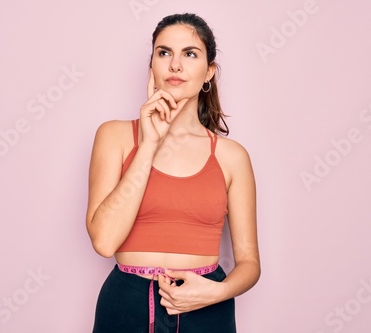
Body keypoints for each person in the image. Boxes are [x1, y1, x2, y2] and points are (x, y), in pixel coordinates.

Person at [86, 13, 260, 333]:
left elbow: (249, 263)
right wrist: (150, 143)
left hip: (208, 307)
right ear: (151, 66)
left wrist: (216, 292)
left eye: (190, 54)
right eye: (164, 53)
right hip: (126, 305)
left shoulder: (232, 157)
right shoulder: (114, 137)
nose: (175, 65)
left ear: (208, 72)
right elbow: (105, 241)